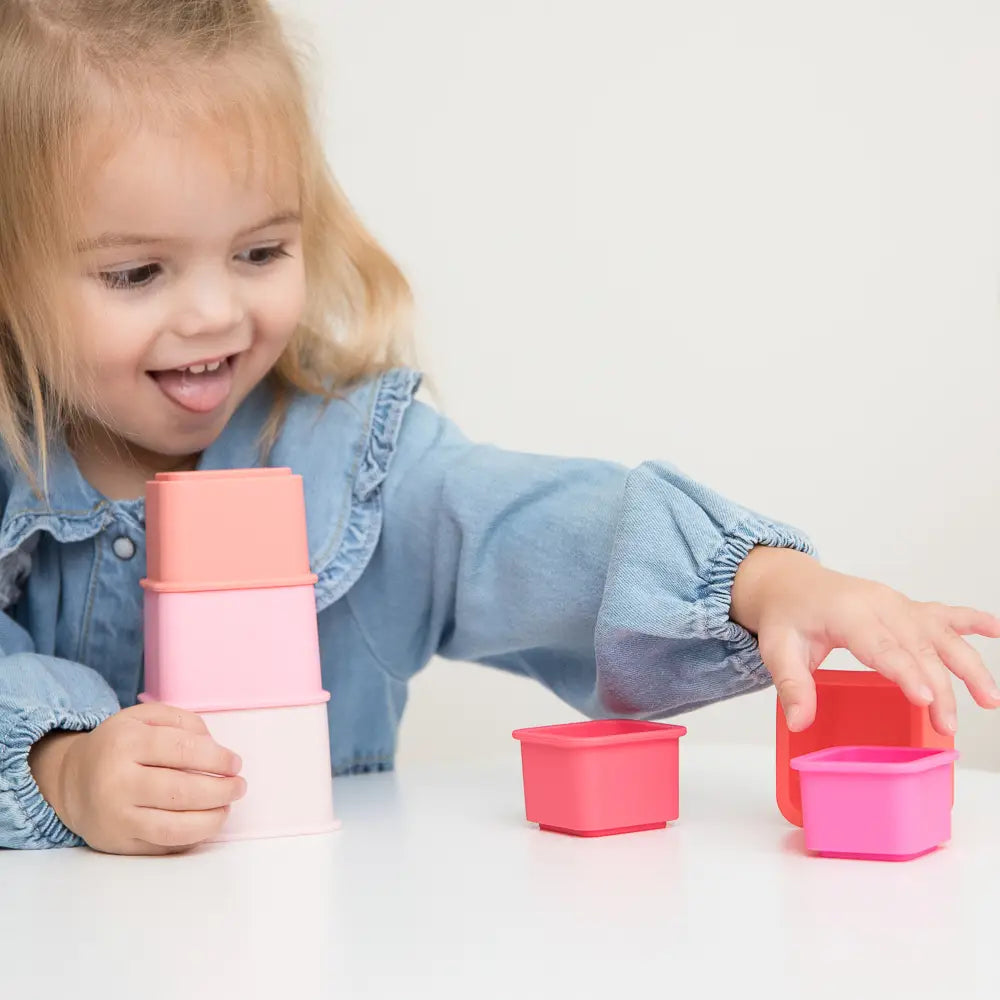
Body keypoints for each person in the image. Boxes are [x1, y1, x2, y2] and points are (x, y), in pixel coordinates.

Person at [1, 0, 996, 855]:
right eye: (137, 273)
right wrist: (61, 764)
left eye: (261, 250)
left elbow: (535, 530)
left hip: (309, 933)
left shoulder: (358, 466)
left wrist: (767, 581)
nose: (216, 314)